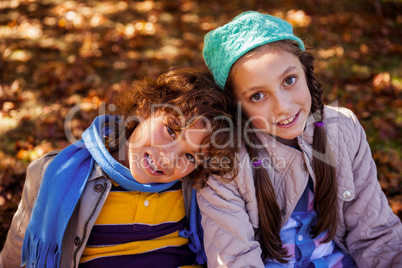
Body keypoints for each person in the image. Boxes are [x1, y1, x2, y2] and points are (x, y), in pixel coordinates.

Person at [198, 11, 402, 268]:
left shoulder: (343, 129)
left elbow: (377, 235)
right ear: (236, 106)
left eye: (289, 80)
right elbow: (234, 259)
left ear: (306, 73)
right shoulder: (224, 160)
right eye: (257, 96)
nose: (283, 107)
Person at [0, 68, 238, 268]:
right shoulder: (63, 175)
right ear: (146, 109)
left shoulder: (191, 189)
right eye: (170, 131)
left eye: (189, 156)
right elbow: (20, 244)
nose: (168, 158)